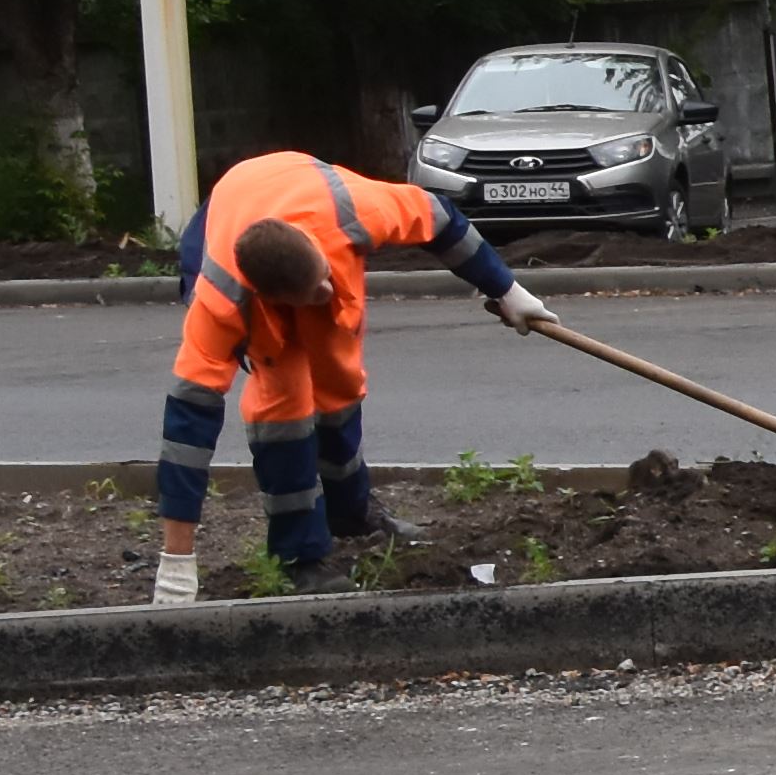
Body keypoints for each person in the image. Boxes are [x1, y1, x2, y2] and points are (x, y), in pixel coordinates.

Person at [151, 149, 548, 600]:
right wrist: (176, 560)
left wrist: (507, 289)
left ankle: (350, 514)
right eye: (311, 293)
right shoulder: (221, 301)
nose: (325, 292)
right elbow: (187, 429)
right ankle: (300, 556)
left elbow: (441, 218)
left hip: (300, 193)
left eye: (325, 278)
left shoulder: (354, 211)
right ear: (272, 298)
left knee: (339, 380)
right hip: (222, 226)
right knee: (284, 403)